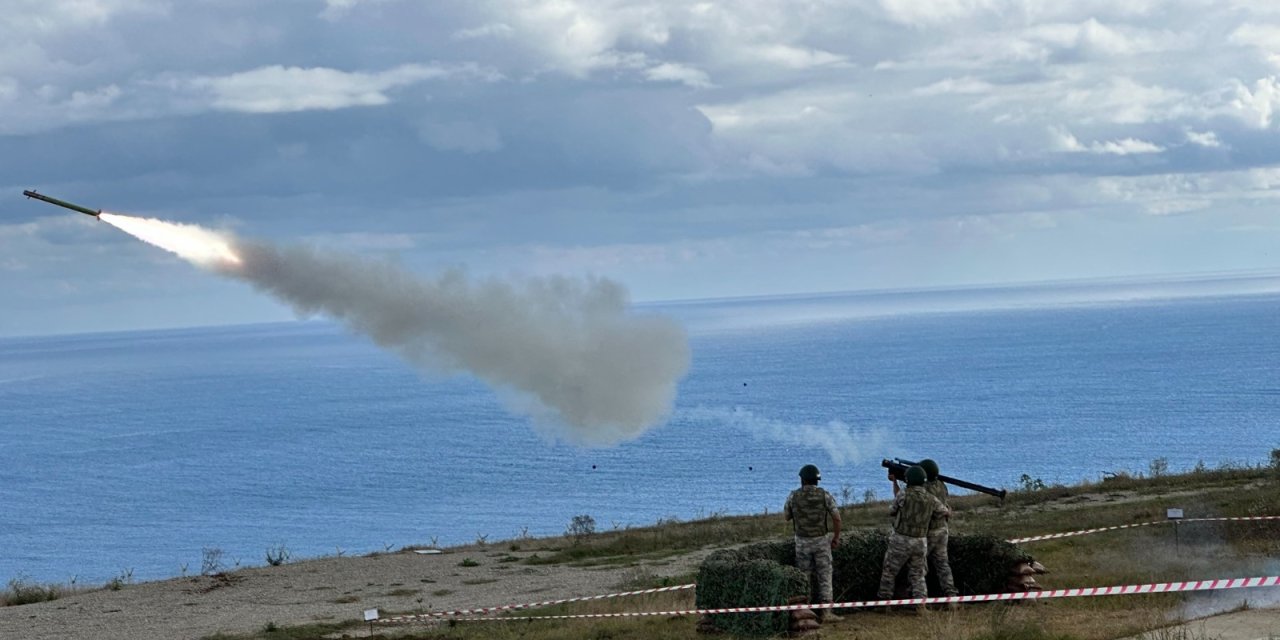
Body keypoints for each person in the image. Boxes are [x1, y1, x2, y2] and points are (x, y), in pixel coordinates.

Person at [877, 465, 948, 609]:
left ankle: (884, 604)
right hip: (921, 541)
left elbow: (892, 511)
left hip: (901, 539)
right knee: (918, 575)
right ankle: (920, 606)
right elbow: (944, 511)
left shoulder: (904, 494)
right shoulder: (931, 498)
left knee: (889, 571)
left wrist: (894, 483)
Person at [784, 464, 843, 622]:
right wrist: (836, 537)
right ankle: (826, 613)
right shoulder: (825, 495)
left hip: (802, 542)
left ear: (802, 480)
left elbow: (787, 516)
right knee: (825, 576)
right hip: (821, 542)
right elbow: (837, 518)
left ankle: (806, 611)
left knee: (804, 576)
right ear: (817, 481)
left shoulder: (793, 496)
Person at [919, 458, 959, 601]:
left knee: (919, 565)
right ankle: (951, 594)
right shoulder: (941, 485)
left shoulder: (924, 489)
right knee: (943, 564)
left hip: (929, 531)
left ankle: (917, 597)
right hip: (943, 529)